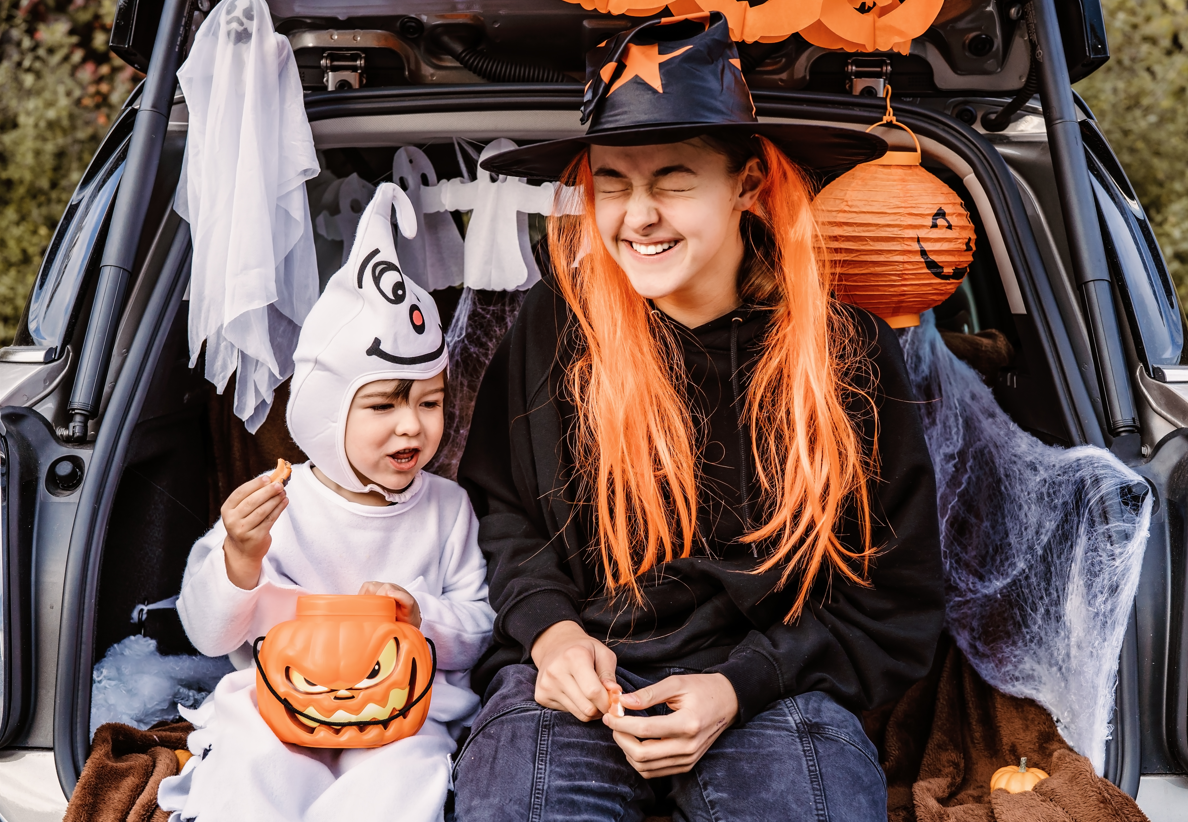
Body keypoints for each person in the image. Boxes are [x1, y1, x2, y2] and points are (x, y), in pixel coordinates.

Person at [454, 12, 945, 821]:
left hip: (773, 686)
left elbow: (890, 593)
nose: (636, 216)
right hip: (578, 683)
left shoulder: (840, 352)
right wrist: (551, 636)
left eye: (673, 179)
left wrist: (737, 685)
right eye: (612, 181)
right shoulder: (554, 326)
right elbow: (500, 512)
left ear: (747, 184)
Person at [157, 184, 495, 822]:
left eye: (430, 402)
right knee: (254, 766)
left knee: (405, 777)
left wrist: (419, 613)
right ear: (323, 411)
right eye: (382, 404)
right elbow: (208, 634)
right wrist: (239, 558)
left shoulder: (449, 508)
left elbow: (478, 629)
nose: (412, 427)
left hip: (405, 713)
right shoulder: (276, 508)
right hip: (276, 707)